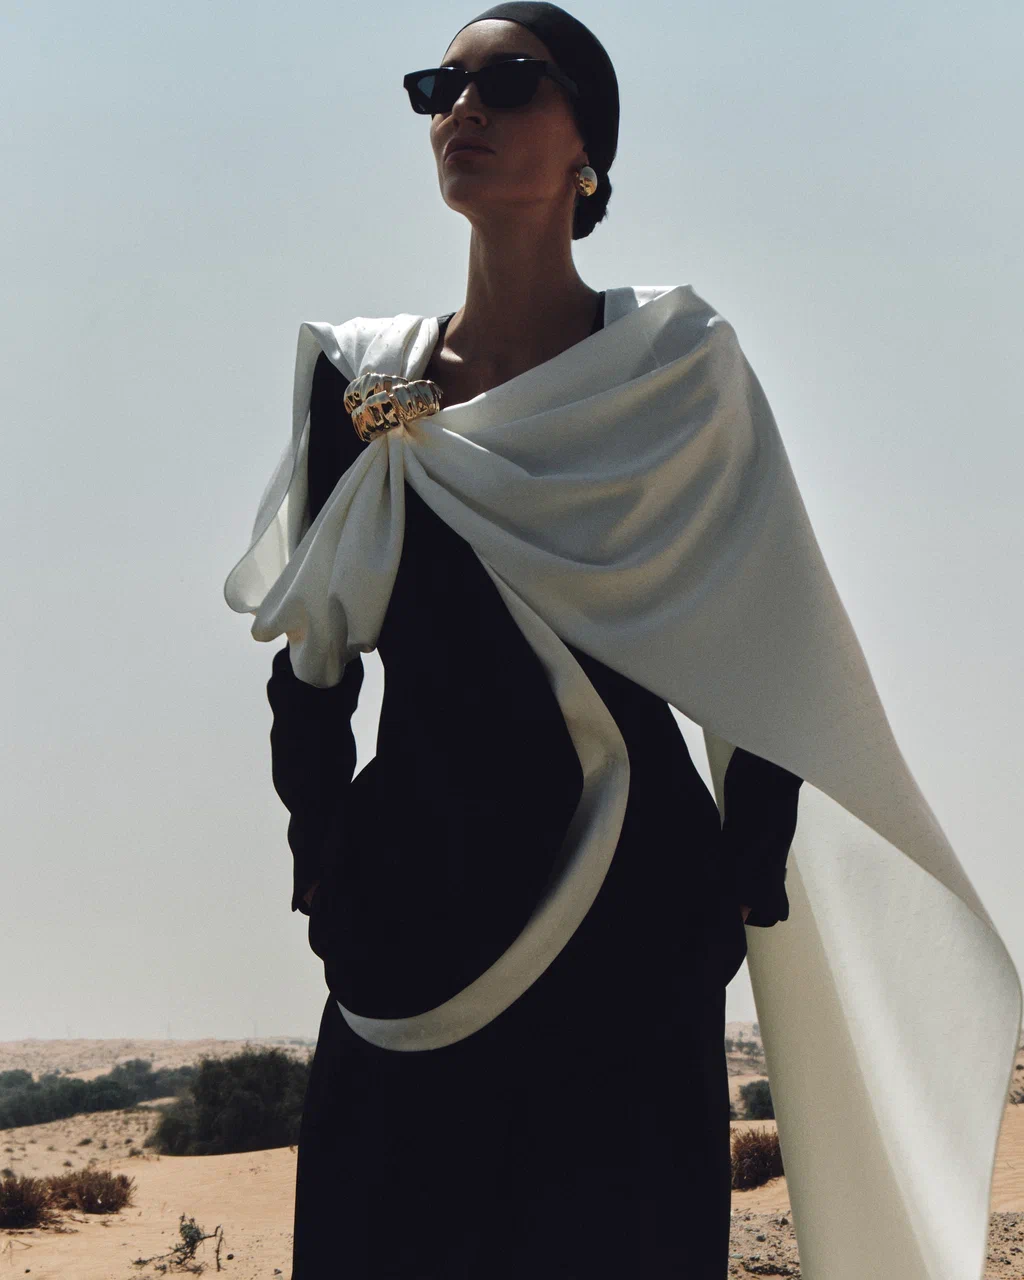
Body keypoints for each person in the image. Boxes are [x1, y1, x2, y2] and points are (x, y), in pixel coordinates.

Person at [262, 5, 803, 1276]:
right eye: (438, 88)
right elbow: (315, 644)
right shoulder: (360, 378)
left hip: (631, 922)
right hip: (411, 911)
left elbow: (763, 625)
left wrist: (740, 874)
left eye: (507, 82)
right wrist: (322, 850)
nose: (463, 110)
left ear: (587, 150)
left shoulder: (673, 363)